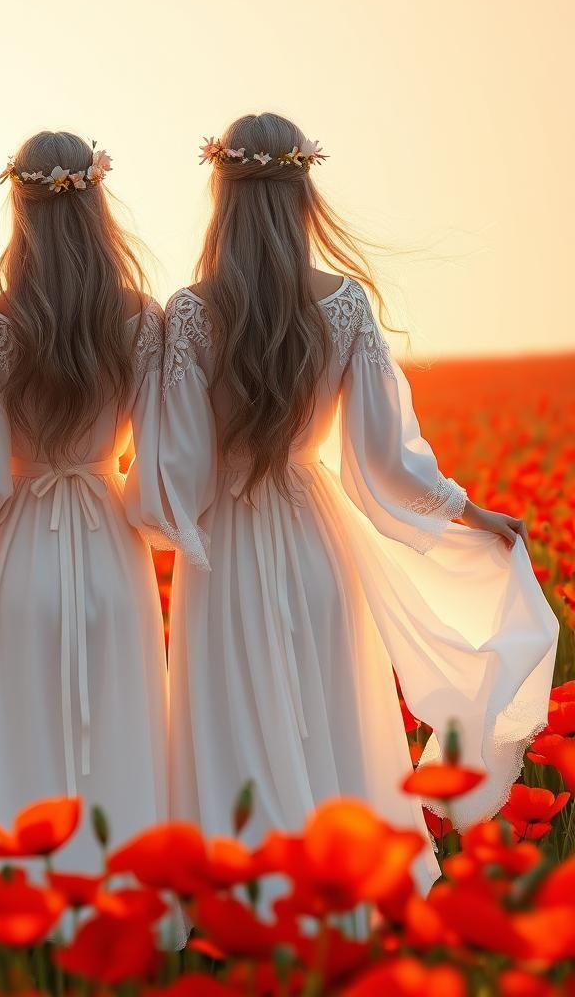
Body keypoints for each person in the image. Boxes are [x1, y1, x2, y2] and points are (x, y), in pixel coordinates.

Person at [145, 112, 558, 892]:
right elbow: (387, 465)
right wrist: (474, 514)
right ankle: (347, 896)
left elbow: (182, 469)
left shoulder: (193, 312)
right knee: (328, 715)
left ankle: (253, 898)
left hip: (228, 548)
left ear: (221, 195)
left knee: (238, 721)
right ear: (304, 192)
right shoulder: (345, 305)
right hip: (315, 538)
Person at [0, 132, 168, 869]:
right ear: (96, 201)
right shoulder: (144, 316)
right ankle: (122, 894)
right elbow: (161, 464)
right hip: (111, 545)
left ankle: (27, 900)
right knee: (120, 727)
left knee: (21, 726)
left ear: (20, 208)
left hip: (22, 549)